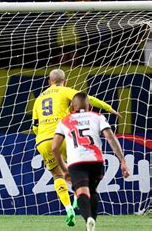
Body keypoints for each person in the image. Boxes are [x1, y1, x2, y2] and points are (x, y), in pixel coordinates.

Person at [31, 69, 121, 227]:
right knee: (75, 170)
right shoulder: (65, 90)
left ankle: (68, 209)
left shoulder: (38, 99)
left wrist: (42, 136)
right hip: (64, 136)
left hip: (44, 140)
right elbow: (88, 99)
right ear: (64, 81)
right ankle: (76, 200)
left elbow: (34, 126)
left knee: (57, 175)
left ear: (49, 82)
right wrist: (109, 108)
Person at [52, 92, 130, 231]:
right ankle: (92, 223)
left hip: (76, 162)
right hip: (96, 161)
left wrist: (64, 170)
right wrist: (122, 161)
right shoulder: (98, 117)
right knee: (93, 191)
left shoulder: (65, 121)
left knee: (81, 191)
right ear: (88, 105)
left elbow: (55, 147)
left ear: (71, 106)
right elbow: (110, 138)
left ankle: (88, 218)